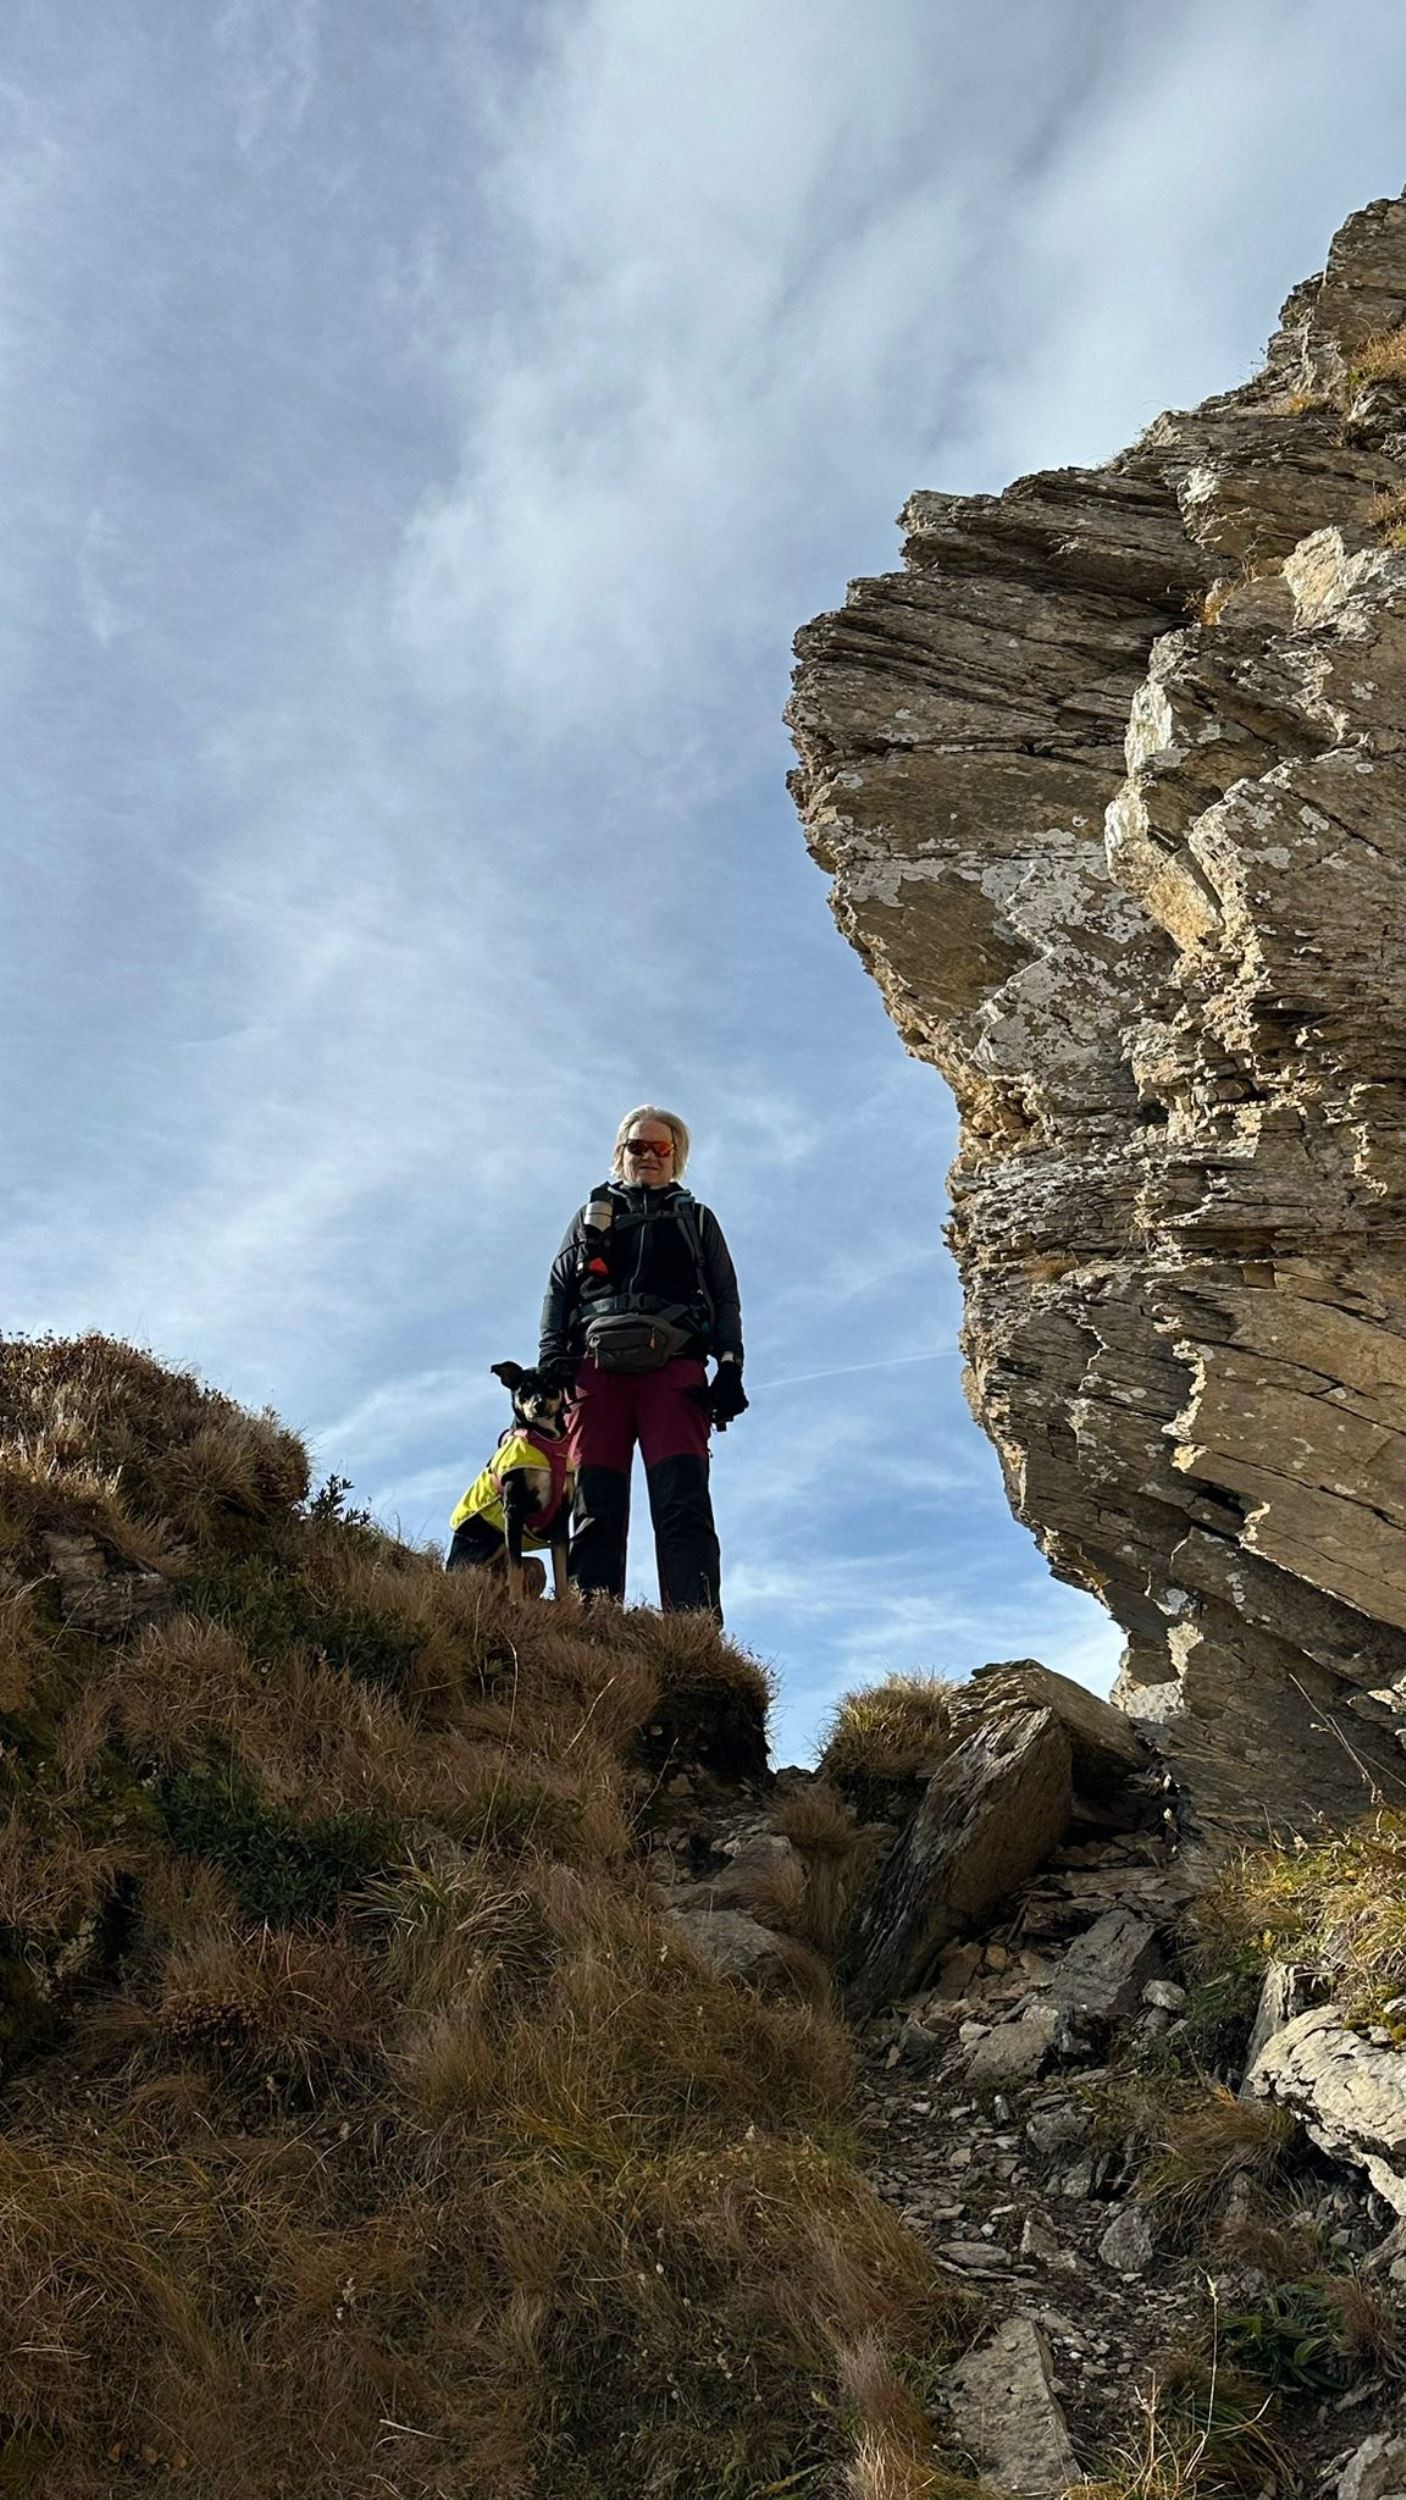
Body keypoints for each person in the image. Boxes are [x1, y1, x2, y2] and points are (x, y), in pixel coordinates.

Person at [538, 1106, 746, 1617]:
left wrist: (730, 1367)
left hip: (675, 1373)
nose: (648, 1156)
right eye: (637, 1146)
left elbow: (725, 1296)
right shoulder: (589, 1217)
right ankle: (593, 1627)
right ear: (620, 1153)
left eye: (661, 1148)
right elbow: (559, 1289)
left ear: (677, 1158)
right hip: (594, 1374)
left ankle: (693, 1631)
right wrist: (551, 1359)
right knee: (595, 1508)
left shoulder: (697, 1219)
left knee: (683, 1505)